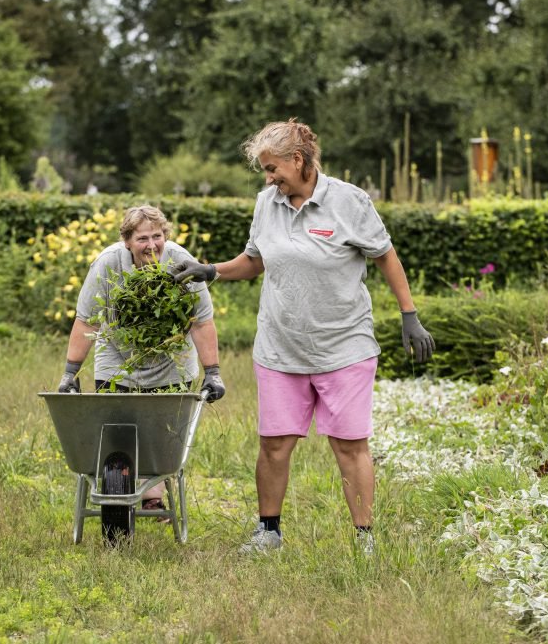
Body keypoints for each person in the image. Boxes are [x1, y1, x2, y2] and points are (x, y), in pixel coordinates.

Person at [171, 119, 434, 555]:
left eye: (273, 168)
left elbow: (386, 255)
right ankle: (268, 532)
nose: (269, 178)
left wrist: (410, 314)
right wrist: (212, 270)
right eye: (265, 171)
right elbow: (255, 260)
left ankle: (364, 537)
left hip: (344, 345)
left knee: (350, 445)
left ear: (298, 160)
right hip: (280, 347)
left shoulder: (349, 201)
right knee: (274, 444)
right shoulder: (266, 203)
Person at [58, 205, 226, 512]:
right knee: (117, 434)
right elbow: (87, 322)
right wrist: (70, 373)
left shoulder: (181, 262)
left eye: (157, 236)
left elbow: (201, 321)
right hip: (118, 364)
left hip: (171, 364)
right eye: (142, 239)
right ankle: (123, 487)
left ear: (166, 235)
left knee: (162, 440)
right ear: (126, 241)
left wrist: (212, 371)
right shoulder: (108, 265)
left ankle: (152, 494)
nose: (151, 245)